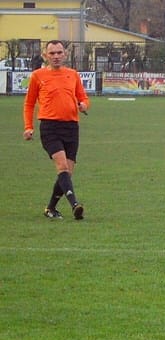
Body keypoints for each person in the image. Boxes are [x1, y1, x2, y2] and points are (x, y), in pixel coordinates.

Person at [23, 40, 88, 220]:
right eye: (52, 53)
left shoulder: (73, 75)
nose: (56, 56)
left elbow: (83, 98)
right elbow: (29, 104)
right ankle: (75, 205)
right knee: (62, 167)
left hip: (71, 127)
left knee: (67, 172)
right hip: (50, 127)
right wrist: (28, 127)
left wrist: (83, 105)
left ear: (65, 55)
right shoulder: (38, 76)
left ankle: (50, 208)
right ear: (45, 56)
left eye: (59, 53)